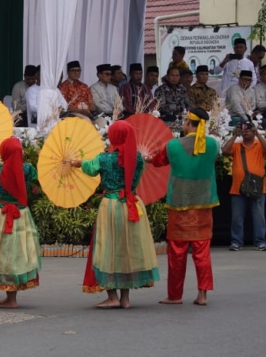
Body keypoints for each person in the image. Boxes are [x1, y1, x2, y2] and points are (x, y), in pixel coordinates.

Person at [70, 121, 160, 309]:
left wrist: (77, 163)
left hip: (111, 205)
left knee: (107, 249)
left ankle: (112, 296)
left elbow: (91, 167)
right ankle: (125, 299)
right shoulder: (138, 159)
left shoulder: (105, 158)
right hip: (132, 204)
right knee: (126, 250)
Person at [148, 107, 218, 306]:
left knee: (177, 252)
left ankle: (175, 295)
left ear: (188, 123)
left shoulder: (173, 146)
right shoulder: (213, 145)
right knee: (202, 251)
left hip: (180, 205)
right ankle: (202, 295)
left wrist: (148, 158)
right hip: (204, 204)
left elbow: (158, 161)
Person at [0, 137, 40, 308]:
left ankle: (10, 298)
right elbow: (34, 173)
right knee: (16, 253)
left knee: (0, 253)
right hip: (20, 215)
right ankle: (12, 296)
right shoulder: (26, 169)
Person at [222, 121, 266, 251]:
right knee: (237, 217)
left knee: (259, 216)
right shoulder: (237, 146)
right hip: (238, 187)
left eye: (248, 129)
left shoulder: (259, 145)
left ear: (253, 131)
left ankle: (260, 241)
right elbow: (225, 151)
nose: (245, 130)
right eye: (243, 129)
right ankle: (236, 241)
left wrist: (258, 133)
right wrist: (235, 135)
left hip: (258, 187)